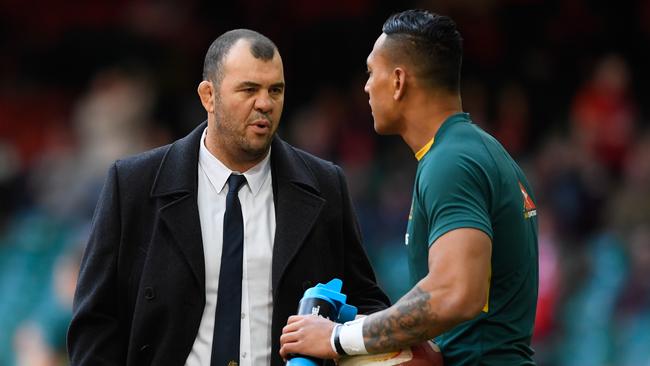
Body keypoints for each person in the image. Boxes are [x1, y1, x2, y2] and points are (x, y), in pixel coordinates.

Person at [67, 29, 389, 366]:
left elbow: (366, 302)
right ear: (208, 95)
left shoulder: (325, 185)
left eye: (275, 90)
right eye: (249, 89)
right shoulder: (133, 184)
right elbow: (95, 323)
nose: (264, 103)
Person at [280, 10, 539, 365]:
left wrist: (341, 338)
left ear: (399, 81)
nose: (366, 86)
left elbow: (456, 293)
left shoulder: (452, 162)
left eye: (372, 73)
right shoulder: (473, 151)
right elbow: (473, 319)